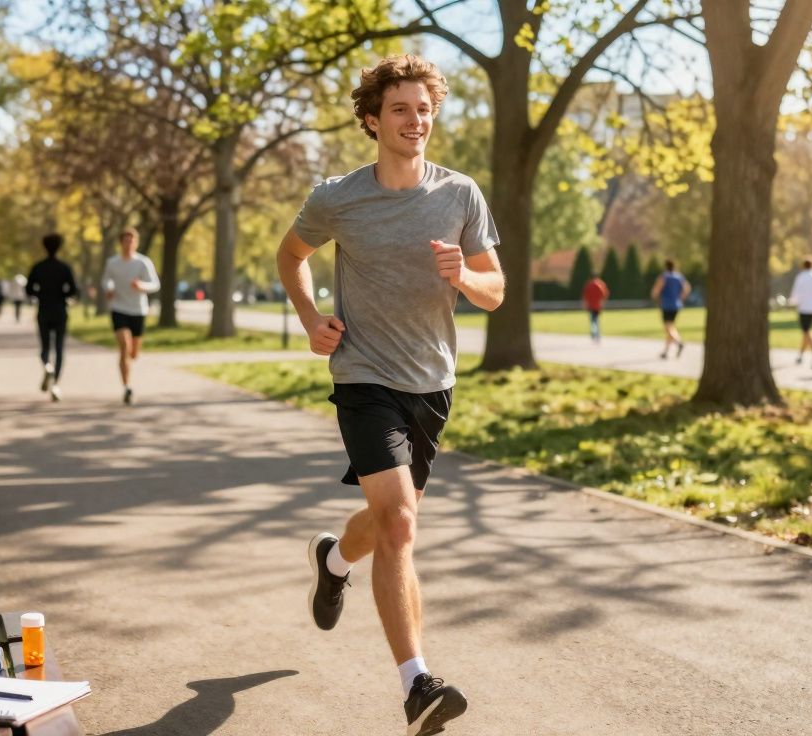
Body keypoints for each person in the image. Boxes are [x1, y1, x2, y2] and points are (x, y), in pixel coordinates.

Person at [277, 54, 504, 736]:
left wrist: (464, 275)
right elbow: (293, 255)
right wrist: (312, 320)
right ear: (373, 120)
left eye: (425, 108)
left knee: (383, 526)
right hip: (363, 377)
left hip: (432, 384)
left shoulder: (460, 194)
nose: (416, 120)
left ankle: (334, 560)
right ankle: (417, 686)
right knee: (402, 521)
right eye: (401, 109)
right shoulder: (338, 198)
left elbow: (495, 292)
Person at [101, 228, 161, 405]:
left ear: (136, 243)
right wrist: (109, 289)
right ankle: (127, 387)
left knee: (133, 354)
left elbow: (155, 284)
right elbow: (106, 280)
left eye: (131, 240)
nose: (128, 244)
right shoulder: (112, 263)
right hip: (119, 308)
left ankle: (130, 363)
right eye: (125, 241)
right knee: (124, 346)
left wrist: (141, 285)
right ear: (121, 243)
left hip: (138, 310)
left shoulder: (143, 262)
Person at [26, 234, 79, 401]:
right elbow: (73, 290)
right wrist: (63, 295)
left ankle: (47, 365)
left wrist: (40, 293)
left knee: (45, 346)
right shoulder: (64, 268)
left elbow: (28, 290)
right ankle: (55, 384)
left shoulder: (38, 267)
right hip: (60, 310)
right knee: (59, 348)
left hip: (43, 310)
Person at [651, 259, 691, 359]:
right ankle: (666, 352)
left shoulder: (664, 276)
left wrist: (655, 297)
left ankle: (679, 342)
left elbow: (656, 290)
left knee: (668, 328)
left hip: (666, 305)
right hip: (676, 305)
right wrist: (681, 298)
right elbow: (687, 288)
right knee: (671, 327)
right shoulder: (679, 276)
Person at [581, 272, 609, 343]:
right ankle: (597, 333)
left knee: (592, 320)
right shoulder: (600, 284)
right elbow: (604, 294)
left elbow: (585, 296)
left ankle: (594, 333)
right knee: (596, 320)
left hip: (590, 305)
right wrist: (602, 303)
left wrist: (585, 304)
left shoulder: (588, 284)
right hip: (597, 305)